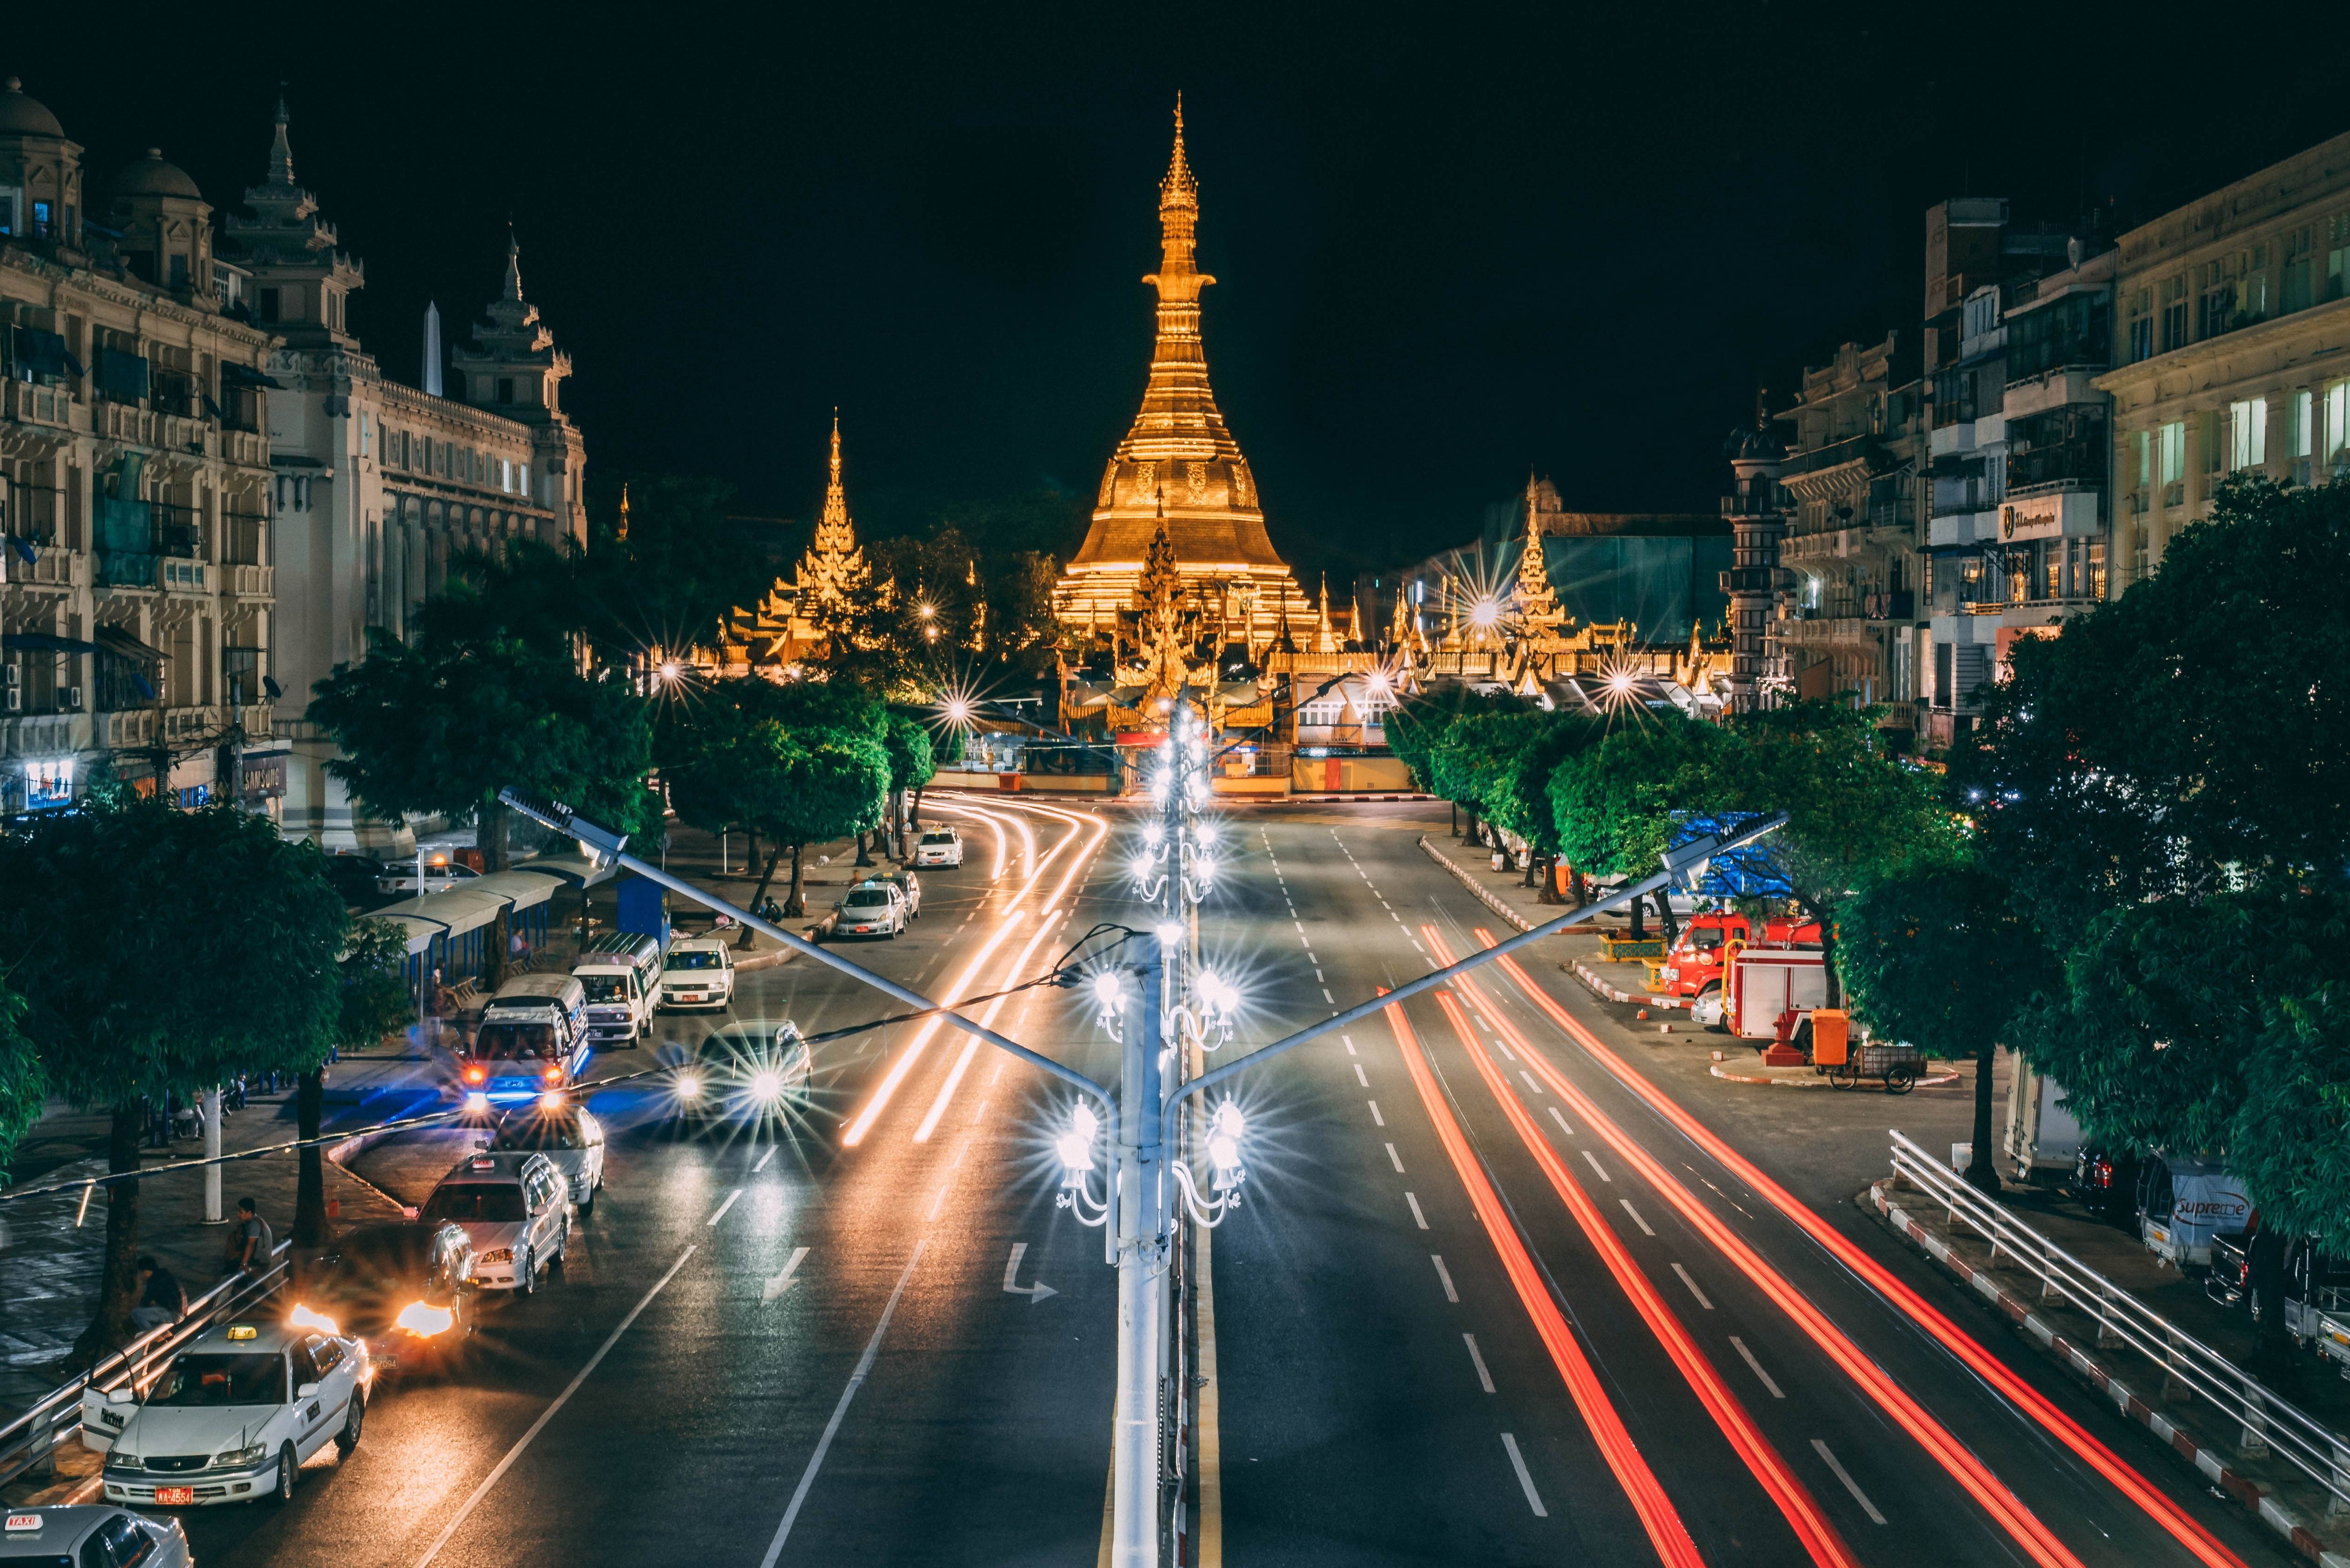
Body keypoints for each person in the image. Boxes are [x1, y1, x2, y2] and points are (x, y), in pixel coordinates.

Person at [131, 1255, 186, 1332]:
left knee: (136, 1313)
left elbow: (146, 1301)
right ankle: (166, 1335)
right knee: (151, 1312)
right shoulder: (164, 1275)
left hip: (174, 1314)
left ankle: (153, 1337)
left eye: (140, 1272)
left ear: (146, 1271)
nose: (140, 1275)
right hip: (179, 1312)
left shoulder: (155, 1280)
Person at [229, 1196, 275, 1285]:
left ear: (249, 1213)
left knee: (233, 1270)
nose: (239, 1214)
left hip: (260, 1263)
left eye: (241, 1212)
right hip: (260, 1259)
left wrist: (244, 1264)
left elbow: (251, 1245)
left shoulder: (254, 1225)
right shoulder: (255, 1221)